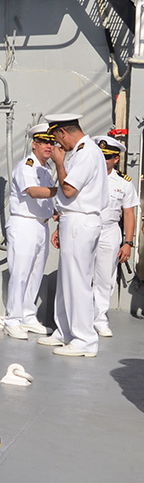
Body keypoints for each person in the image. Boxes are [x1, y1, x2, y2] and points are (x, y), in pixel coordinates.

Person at [35, 115, 108, 357]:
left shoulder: (86, 152)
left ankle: (85, 339)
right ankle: (65, 331)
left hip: (81, 220)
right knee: (67, 280)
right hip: (72, 219)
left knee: (77, 280)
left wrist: (59, 162)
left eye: (57, 138)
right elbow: (69, 197)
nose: (58, 146)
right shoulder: (80, 151)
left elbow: (68, 189)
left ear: (63, 132)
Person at [0, 124, 57, 340]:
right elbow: (33, 192)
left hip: (41, 225)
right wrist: (63, 191)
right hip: (24, 224)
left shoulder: (45, 169)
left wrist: (55, 209)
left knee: (35, 273)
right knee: (21, 273)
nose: (49, 146)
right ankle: (13, 319)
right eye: (45, 142)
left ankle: (28, 315)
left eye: (52, 142)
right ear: (35, 144)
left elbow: (47, 197)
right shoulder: (27, 165)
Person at [91, 135, 136, 338]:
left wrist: (128, 242)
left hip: (109, 231)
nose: (103, 160)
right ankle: (79, 318)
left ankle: (99, 318)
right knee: (80, 274)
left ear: (116, 159)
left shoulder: (123, 183)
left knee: (105, 278)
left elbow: (128, 213)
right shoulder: (87, 177)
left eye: (107, 157)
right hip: (86, 227)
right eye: (100, 156)